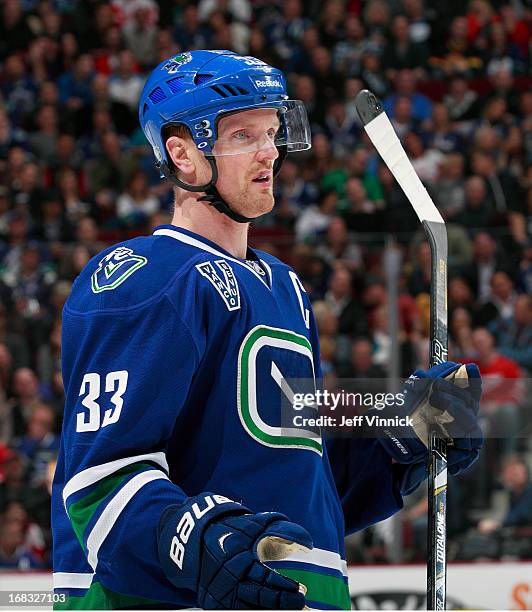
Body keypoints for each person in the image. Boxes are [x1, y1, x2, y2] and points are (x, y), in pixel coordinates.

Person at [51, 50, 483, 610]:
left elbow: (299, 484)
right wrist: (194, 542)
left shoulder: (287, 288)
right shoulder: (148, 278)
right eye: (242, 135)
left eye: (273, 133)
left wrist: (400, 443)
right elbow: (100, 478)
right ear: (182, 154)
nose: (269, 152)